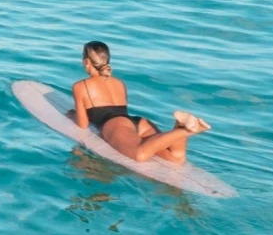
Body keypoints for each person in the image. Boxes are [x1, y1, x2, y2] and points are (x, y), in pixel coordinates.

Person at [70, 41, 210, 163]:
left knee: (139, 154)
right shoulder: (119, 83)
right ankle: (179, 126)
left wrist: (71, 114)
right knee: (175, 158)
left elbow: (83, 124)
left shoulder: (80, 86)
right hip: (138, 123)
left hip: (116, 126)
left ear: (87, 62)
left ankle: (185, 130)